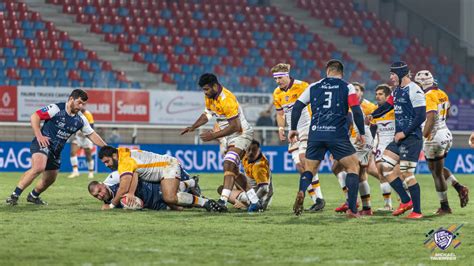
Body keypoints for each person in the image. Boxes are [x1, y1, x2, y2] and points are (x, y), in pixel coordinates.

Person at [289, 59, 366, 217]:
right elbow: (357, 111)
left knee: (309, 169)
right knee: (353, 168)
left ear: (327, 71)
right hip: (337, 134)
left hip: (316, 133)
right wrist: (361, 132)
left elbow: (297, 107)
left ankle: (302, 191)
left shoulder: (314, 86)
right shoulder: (347, 86)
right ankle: (352, 209)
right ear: (341, 73)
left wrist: (293, 129)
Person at [6, 89, 107, 206]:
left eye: (83, 104)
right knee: (38, 167)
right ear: (71, 99)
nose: (81, 106)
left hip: (56, 151)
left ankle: (33, 196)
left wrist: (106, 147)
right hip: (43, 143)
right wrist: (39, 135)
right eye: (79, 102)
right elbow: (35, 116)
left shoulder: (81, 119)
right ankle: (14, 195)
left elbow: (91, 134)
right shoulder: (56, 109)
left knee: (50, 178)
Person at [181, 73, 261, 212]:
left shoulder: (227, 99)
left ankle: (222, 201)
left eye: (206, 89)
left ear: (215, 86)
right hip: (231, 136)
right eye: (203, 90)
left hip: (242, 133)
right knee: (234, 170)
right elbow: (207, 115)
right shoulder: (210, 97)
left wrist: (213, 135)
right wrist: (193, 126)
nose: (205, 92)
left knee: (228, 163)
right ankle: (255, 201)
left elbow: (235, 126)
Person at [370, 61, 426, 219]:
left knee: (407, 173)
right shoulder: (396, 91)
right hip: (400, 138)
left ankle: (417, 211)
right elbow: (386, 107)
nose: (391, 77)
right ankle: (406, 200)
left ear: (401, 74)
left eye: (393, 74)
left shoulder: (414, 90)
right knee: (384, 168)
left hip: (412, 138)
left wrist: (405, 132)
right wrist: (372, 115)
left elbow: (421, 115)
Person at [271, 63, 325, 212]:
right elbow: (280, 113)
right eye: (276, 79)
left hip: (307, 128)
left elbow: (317, 104)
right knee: (300, 167)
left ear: (287, 75)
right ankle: (316, 200)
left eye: (280, 77)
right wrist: (281, 128)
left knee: (304, 160)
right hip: (293, 132)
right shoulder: (276, 93)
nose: (278, 81)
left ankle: (319, 199)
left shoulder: (303, 86)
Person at [415, 70, 469, 214]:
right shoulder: (442, 93)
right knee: (438, 169)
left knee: (436, 173)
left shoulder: (427, 96)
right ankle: (459, 187)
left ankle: (445, 207)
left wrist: (424, 135)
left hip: (434, 137)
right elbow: (449, 113)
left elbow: (431, 117)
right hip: (446, 133)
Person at [98, 146, 214, 211]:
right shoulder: (122, 152)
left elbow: (123, 188)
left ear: (114, 156)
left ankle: (206, 203)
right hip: (162, 168)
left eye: (107, 161)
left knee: (169, 197)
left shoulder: (124, 162)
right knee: (176, 206)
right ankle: (191, 183)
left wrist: (111, 205)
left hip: (167, 166)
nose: (107, 165)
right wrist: (131, 193)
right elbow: (134, 174)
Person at [89, 170, 202, 211]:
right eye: (97, 196)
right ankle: (198, 197)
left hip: (153, 189)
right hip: (154, 205)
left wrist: (131, 193)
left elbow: (134, 173)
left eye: (100, 190)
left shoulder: (116, 180)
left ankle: (192, 184)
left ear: (102, 184)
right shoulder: (107, 204)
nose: (101, 195)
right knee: (182, 208)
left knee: (173, 194)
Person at [217, 140, 273, 211]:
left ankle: (246, 204)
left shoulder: (259, 166)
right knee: (230, 178)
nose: (250, 153)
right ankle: (244, 201)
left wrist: (251, 202)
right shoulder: (247, 157)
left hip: (260, 197)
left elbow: (265, 189)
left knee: (222, 190)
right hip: (252, 190)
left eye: (254, 150)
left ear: (259, 150)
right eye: (249, 149)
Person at [367, 84, 397, 211]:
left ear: (388, 96)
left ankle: (406, 200)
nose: (377, 96)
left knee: (400, 174)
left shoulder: (394, 110)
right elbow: (373, 131)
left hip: (394, 145)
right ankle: (388, 205)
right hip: (380, 145)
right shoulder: (375, 112)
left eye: (380, 94)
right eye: (377, 94)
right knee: (381, 172)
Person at [68, 107, 96, 179]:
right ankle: (75, 171)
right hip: (78, 137)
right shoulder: (75, 114)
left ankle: (90, 172)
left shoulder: (88, 114)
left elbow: (92, 126)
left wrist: (85, 133)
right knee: (72, 152)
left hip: (87, 137)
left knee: (88, 155)